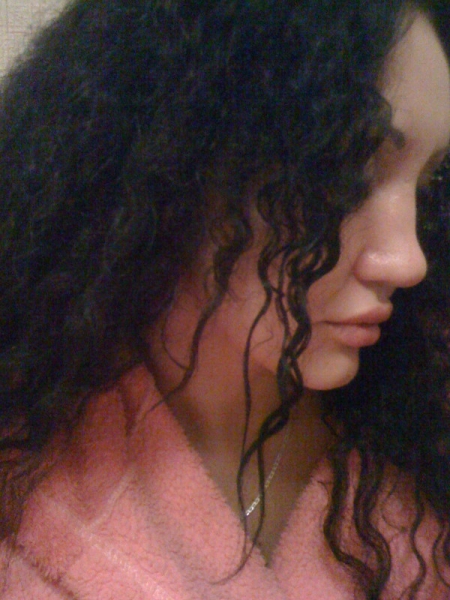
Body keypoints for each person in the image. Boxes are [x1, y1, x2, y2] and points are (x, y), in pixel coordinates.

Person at [0, 0, 449, 598]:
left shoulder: (424, 441)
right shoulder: (23, 462)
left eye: (430, 183)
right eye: (346, 172)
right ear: (173, 158)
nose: (409, 260)